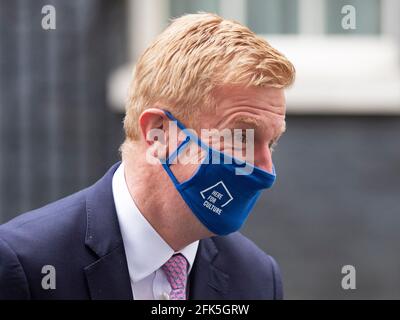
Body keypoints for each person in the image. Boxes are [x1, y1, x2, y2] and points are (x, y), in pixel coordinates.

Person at [0, 12, 295, 300]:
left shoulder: (257, 278)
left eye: (271, 143)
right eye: (242, 137)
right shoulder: (26, 266)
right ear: (159, 132)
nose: (266, 171)